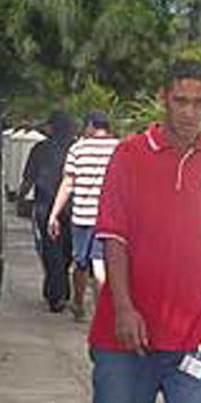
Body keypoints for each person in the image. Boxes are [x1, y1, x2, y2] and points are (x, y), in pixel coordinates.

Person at [89, 59, 201, 403]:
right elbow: (114, 238)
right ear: (164, 99)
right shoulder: (128, 156)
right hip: (127, 339)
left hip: (197, 339)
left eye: (199, 102)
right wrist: (124, 308)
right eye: (181, 101)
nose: (189, 112)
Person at [47, 111, 119, 321]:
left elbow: (68, 183)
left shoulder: (78, 148)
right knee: (100, 262)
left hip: (81, 217)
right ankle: (103, 311)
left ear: (90, 126)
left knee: (80, 263)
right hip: (108, 217)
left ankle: (78, 305)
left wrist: (54, 214)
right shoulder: (119, 148)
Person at [16, 111, 74, 312]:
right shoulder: (76, 148)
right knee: (66, 252)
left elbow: (29, 178)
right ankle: (61, 289)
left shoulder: (40, 149)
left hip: (46, 207)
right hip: (72, 207)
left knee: (51, 251)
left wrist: (20, 197)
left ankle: (56, 294)